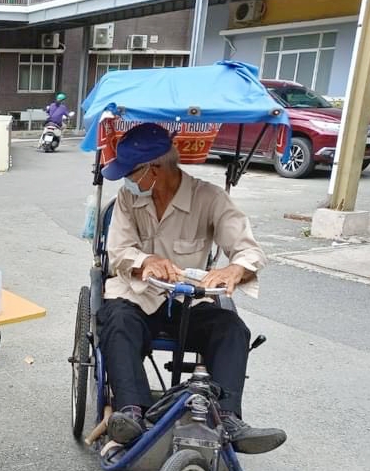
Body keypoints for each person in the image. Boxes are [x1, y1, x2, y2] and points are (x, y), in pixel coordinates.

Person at [97, 122, 286, 454]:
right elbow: (118, 252)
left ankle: (227, 417)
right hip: (137, 295)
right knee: (116, 321)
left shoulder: (209, 198)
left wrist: (234, 268)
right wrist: (145, 260)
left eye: (130, 172)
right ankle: (130, 413)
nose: (126, 180)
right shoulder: (128, 197)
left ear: (154, 169)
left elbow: (250, 250)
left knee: (232, 329)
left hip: (189, 299)